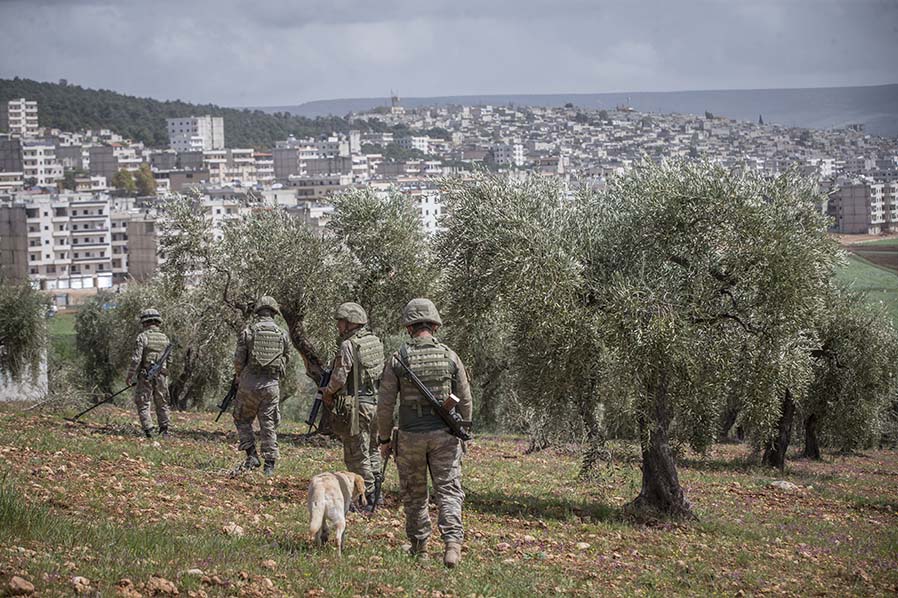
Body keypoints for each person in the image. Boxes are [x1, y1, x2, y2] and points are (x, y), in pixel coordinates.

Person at [377, 298, 473, 568]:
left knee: (414, 494)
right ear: (434, 325)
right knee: (449, 490)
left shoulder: (398, 358)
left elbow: (385, 405)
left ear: (409, 327)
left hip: (409, 437)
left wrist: (384, 439)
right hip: (445, 435)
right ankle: (453, 544)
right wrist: (462, 430)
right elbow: (464, 399)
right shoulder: (450, 355)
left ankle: (420, 550)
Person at [321, 302, 385, 509]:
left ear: (350, 324)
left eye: (340, 322)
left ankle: (365, 498)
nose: (338, 326)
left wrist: (328, 393)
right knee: (373, 450)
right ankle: (377, 494)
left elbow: (339, 378)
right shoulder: (374, 342)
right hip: (375, 404)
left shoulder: (349, 345)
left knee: (356, 454)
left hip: (356, 407)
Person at [232, 296, 291, 476]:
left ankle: (251, 455)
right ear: (274, 313)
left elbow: (238, 360)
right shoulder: (282, 334)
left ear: (257, 311)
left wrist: (240, 377)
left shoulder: (248, 331)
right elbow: (286, 358)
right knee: (269, 424)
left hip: (249, 384)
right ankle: (269, 465)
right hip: (271, 385)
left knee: (242, 419)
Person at [126, 308, 171, 439]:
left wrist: (130, 375)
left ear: (144, 322)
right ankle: (164, 430)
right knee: (162, 402)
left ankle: (149, 430)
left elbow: (136, 359)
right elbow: (170, 359)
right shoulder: (165, 338)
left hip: (146, 374)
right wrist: (164, 373)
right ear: (158, 322)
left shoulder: (143, 337)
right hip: (162, 374)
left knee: (143, 402)